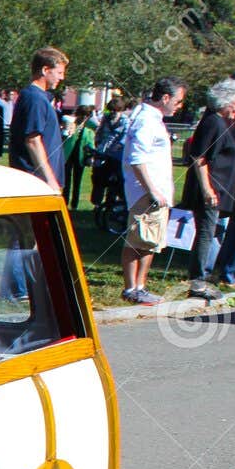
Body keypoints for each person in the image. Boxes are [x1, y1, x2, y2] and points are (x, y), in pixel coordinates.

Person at [121, 76, 186, 306]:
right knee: (137, 239)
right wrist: (151, 190)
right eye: (178, 101)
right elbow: (137, 159)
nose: (180, 107)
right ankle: (131, 288)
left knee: (150, 242)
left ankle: (140, 286)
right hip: (146, 194)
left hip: (157, 193)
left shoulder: (153, 119)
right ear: (165, 97)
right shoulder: (146, 120)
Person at [181, 79, 235, 298]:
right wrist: (207, 190)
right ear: (224, 101)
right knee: (207, 234)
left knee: (217, 233)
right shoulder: (212, 123)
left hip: (222, 191)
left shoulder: (225, 123)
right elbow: (199, 158)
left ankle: (207, 277)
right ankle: (198, 281)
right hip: (211, 190)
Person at [8, 47, 68, 192]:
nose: (62, 78)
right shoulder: (34, 99)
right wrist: (50, 180)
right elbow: (33, 141)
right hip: (36, 181)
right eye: (59, 72)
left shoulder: (39, 98)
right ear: (45, 70)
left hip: (39, 180)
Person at [90, 97, 128, 226]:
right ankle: (96, 205)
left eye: (115, 111)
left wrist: (116, 147)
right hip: (102, 154)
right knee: (98, 181)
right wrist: (98, 144)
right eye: (110, 110)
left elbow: (124, 140)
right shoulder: (105, 120)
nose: (112, 113)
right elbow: (99, 133)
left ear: (121, 111)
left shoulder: (126, 122)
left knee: (114, 183)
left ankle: (110, 206)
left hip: (116, 157)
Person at [60, 104, 96, 208]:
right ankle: (65, 201)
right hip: (68, 155)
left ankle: (74, 204)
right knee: (66, 181)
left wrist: (90, 155)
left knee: (77, 181)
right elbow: (63, 138)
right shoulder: (70, 124)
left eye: (86, 115)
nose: (83, 117)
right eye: (82, 115)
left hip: (80, 157)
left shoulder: (89, 130)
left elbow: (91, 144)